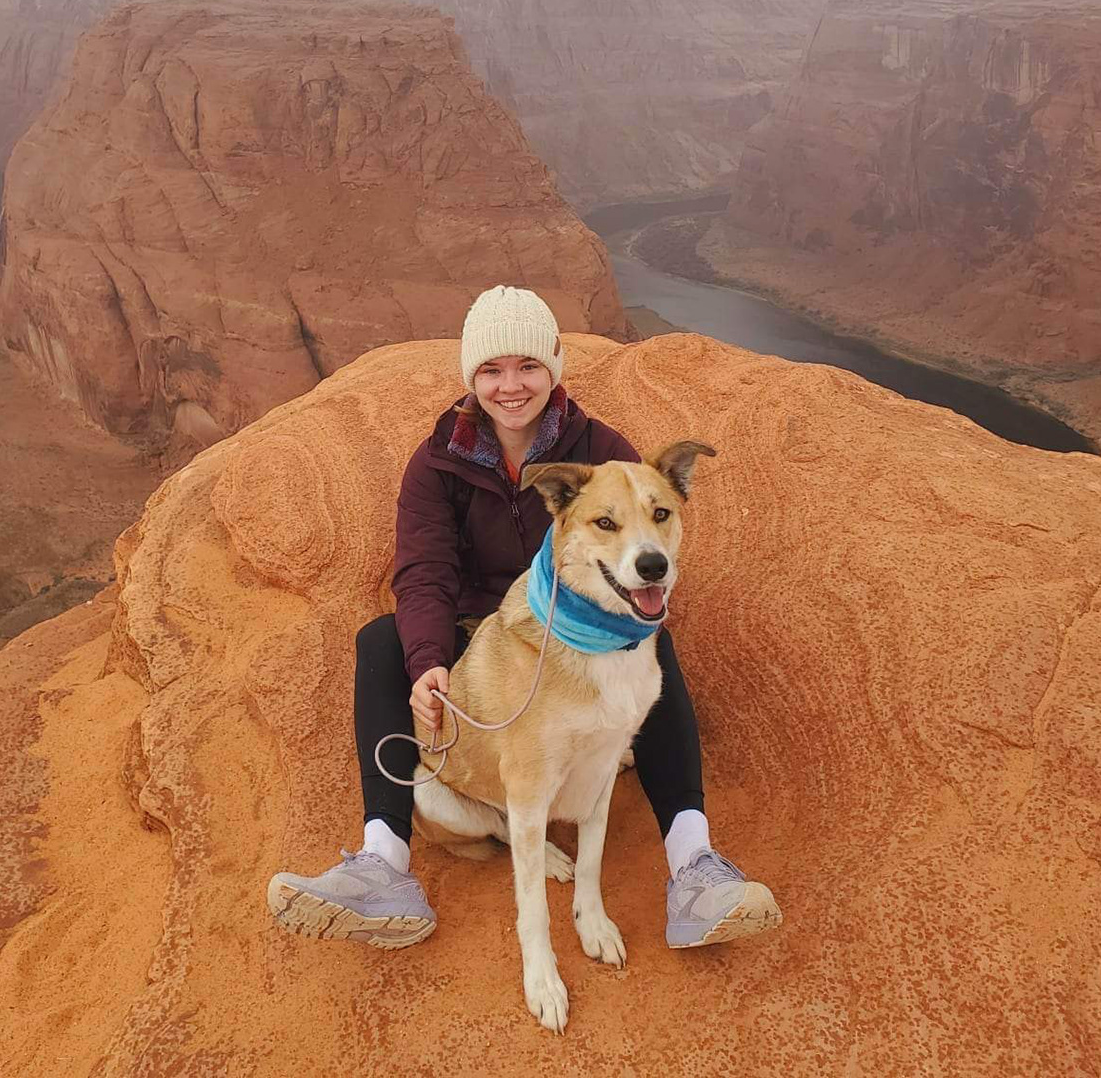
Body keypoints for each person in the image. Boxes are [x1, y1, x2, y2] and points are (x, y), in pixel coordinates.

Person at [266, 285, 780, 950]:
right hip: (478, 628)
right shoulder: (437, 463)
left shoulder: (602, 451)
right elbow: (424, 570)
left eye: (529, 366)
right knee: (380, 643)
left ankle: (694, 864)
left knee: (655, 649)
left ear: (555, 367)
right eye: (492, 369)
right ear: (471, 377)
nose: (511, 386)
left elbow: (643, 531)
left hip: (572, 620)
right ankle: (382, 860)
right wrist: (428, 663)